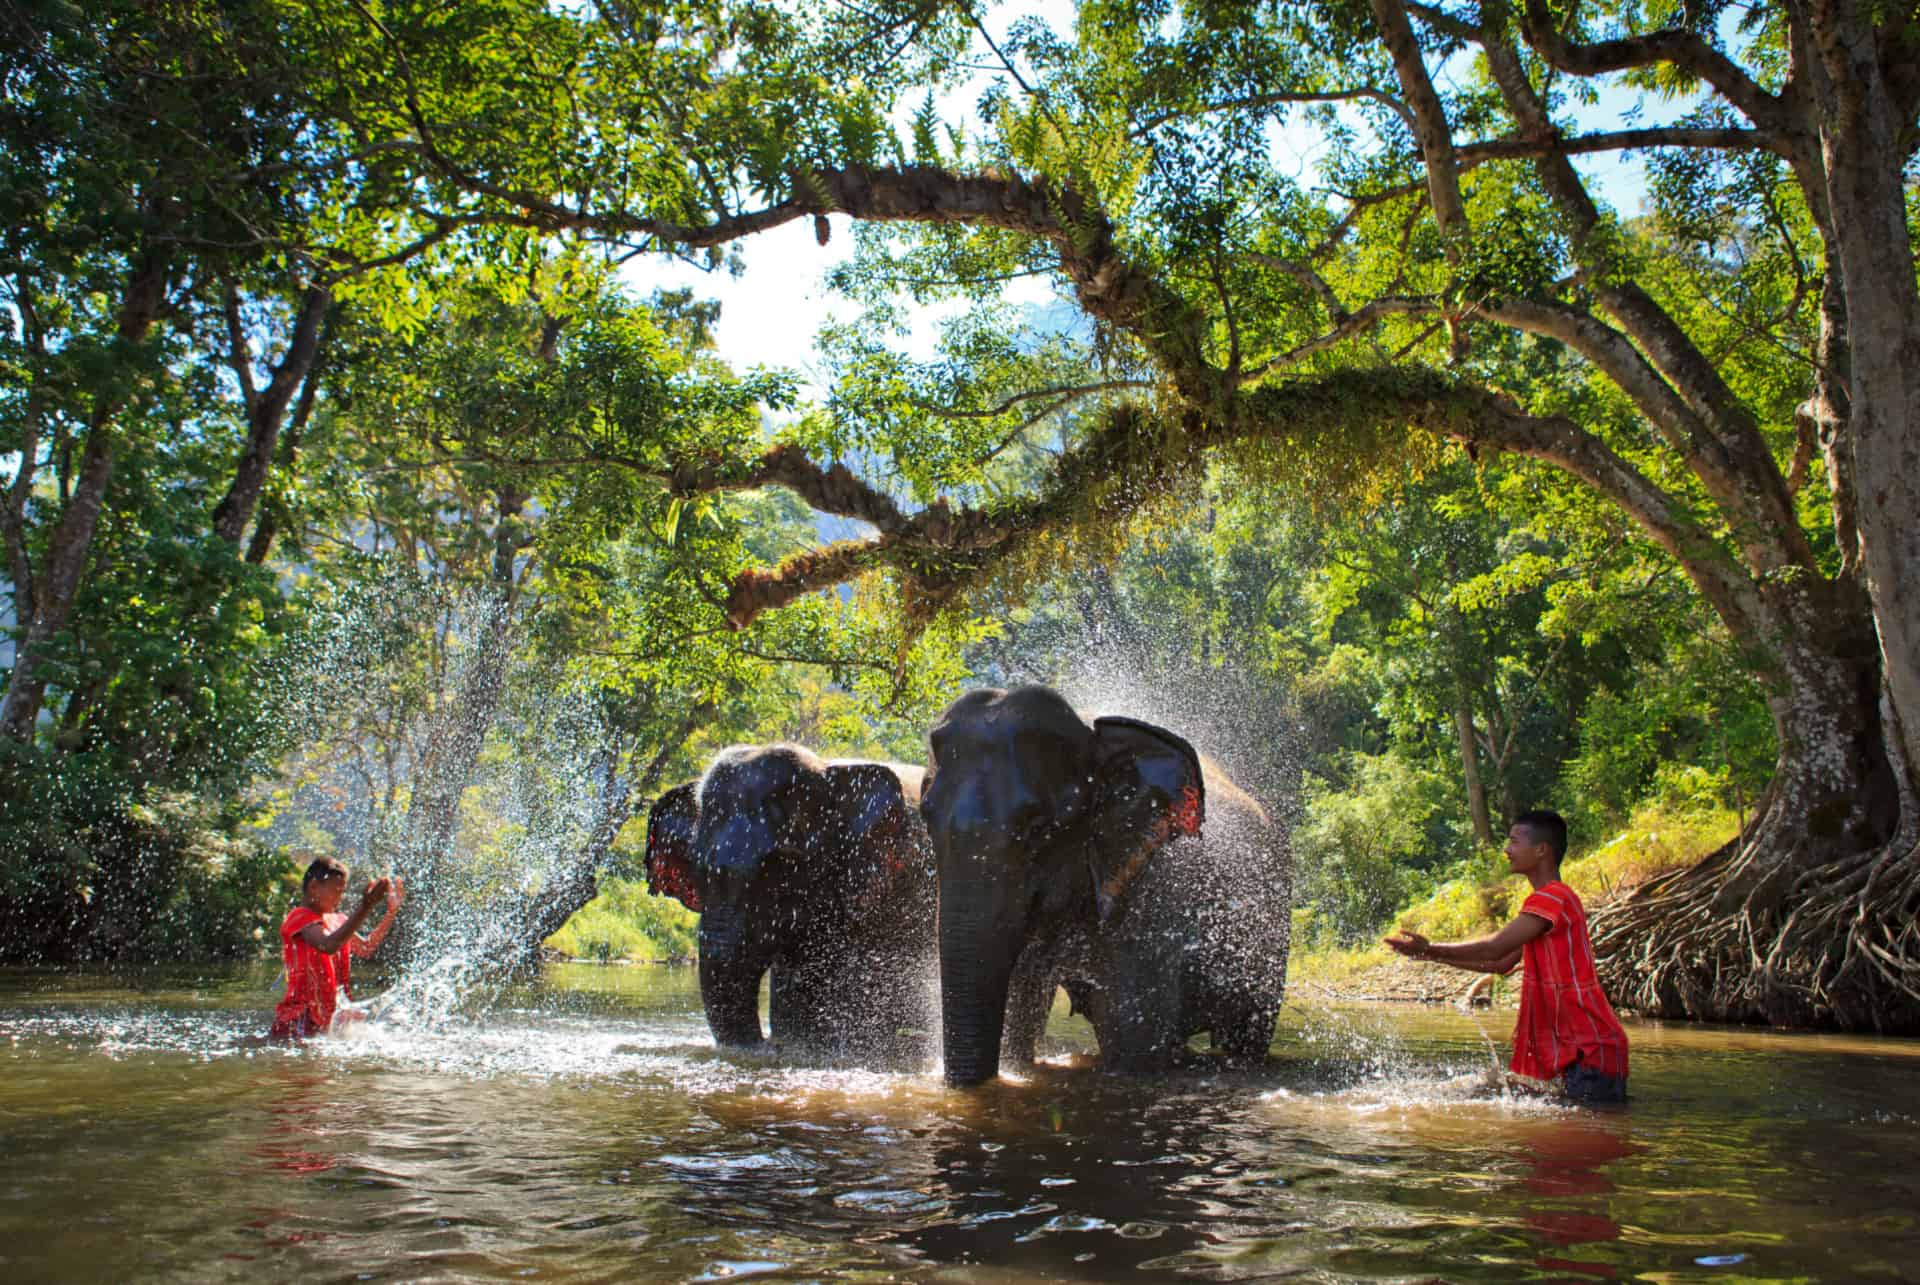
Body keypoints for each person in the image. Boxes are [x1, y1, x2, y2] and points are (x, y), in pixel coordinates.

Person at [1384, 810, 1629, 1104]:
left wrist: (1429, 948)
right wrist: (1429, 957)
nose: (1507, 849)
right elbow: (1500, 964)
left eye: (1514, 841)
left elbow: (1494, 948)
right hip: (1584, 1048)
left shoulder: (1553, 898)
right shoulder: (1548, 902)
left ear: (1541, 850)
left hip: (1588, 1048)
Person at [268, 856, 404, 1041]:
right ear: (314, 887)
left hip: (330, 1017)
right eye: (336, 891)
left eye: (343, 891)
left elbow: (366, 947)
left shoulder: (337, 919)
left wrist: (391, 912)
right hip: (299, 1020)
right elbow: (327, 945)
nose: (340, 897)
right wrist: (366, 906)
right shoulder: (299, 917)